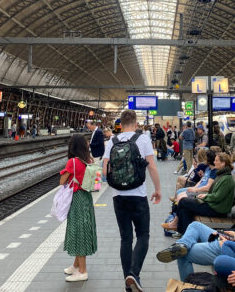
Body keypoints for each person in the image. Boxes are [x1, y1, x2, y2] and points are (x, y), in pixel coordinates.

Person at [102, 110, 161, 292]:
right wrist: (158, 189)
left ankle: (128, 281)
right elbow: (151, 166)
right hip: (138, 195)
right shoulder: (142, 139)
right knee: (143, 235)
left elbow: (105, 172)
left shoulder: (111, 141)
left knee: (125, 238)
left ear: (120, 124)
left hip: (118, 197)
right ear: (135, 123)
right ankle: (134, 274)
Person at [156, 200, 235, 280]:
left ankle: (189, 287)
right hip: (232, 239)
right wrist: (226, 233)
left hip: (233, 247)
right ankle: (182, 245)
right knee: (195, 226)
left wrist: (233, 240)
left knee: (182, 254)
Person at [165, 152, 235, 236]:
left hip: (216, 209)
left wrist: (205, 196)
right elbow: (216, 195)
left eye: (217, 161)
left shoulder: (226, 179)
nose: (214, 162)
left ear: (223, 163)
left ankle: (176, 224)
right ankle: (184, 232)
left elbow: (217, 197)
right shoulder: (222, 175)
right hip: (213, 205)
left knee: (183, 201)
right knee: (185, 207)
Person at [60, 133, 97, 282]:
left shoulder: (73, 162)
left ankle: (83, 271)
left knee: (78, 232)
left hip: (77, 199)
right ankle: (76, 265)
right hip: (87, 198)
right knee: (82, 228)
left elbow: (62, 181)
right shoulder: (88, 159)